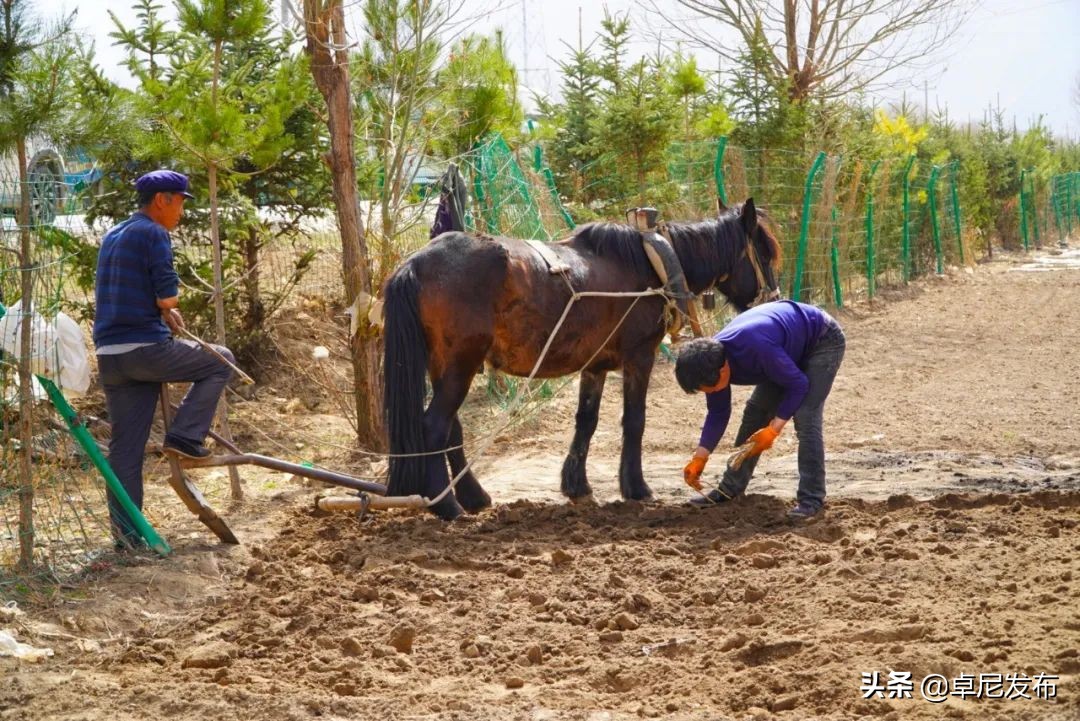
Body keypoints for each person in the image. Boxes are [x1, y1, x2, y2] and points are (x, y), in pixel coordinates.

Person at [93, 170, 234, 549]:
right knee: (220, 360)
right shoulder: (154, 232)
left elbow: (128, 292)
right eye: (180, 202)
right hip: (144, 349)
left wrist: (160, 311)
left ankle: (127, 539)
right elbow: (166, 291)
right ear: (162, 200)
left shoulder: (114, 234)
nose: (181, 213)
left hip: (110, 356)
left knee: (125, 450)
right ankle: (186, 437)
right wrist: (168, 307)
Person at [675, 300, 845, 520]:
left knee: (805, 416)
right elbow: (718, 413)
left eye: (711, 387)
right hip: (785, 349)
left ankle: (811, 499)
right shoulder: (709, 361)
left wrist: (774, 429)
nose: (712, 391)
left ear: (724, 369)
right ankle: (730, 488)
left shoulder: (756, 347)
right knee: (755, 413)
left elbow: (798, 384)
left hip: (822, 340)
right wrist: (700, 457)